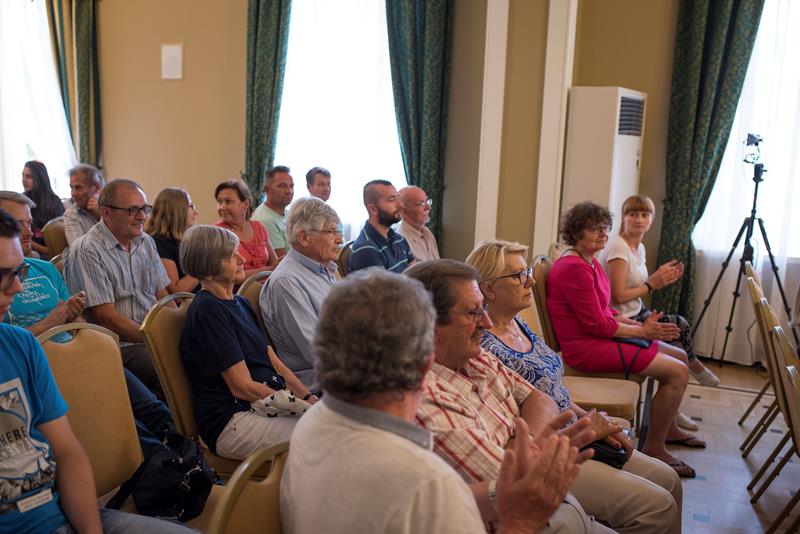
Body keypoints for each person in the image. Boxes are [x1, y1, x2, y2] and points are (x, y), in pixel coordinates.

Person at [282, 268, 585, 534]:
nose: (486, 322)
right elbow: (427, 496)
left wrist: (509, 488)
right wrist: (521, 523)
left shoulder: (312, 422)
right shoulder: (425, 480)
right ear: (427, 361)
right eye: (474, 312)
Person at [0, 209, 195, 534]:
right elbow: (103, 316)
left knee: (147, 409)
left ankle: (179, 466)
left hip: (61, 514)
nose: (18, 287)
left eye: (19, 271)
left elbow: (68, 452)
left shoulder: (20, 344)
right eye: (4, 275)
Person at [467, 239, 682, 532]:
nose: (530, 280)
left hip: (576, 430)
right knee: (659, 506)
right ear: (488, 289)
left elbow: (558, 394)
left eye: (527, 271)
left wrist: (594, 418)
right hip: (549, 451)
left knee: (670, 479)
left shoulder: (518, 324)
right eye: (519, 275)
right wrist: (584, 429)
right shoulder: (485, 348)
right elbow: (511, 431)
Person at [406, 259, 613, 533]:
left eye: (483, 309)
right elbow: (512, 482)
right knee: (656, 506)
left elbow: (541, 399)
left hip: (551, 489)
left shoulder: (475, 356)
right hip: (525, 518)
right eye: (473, 312)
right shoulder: (426, 397)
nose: (487, 322)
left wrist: (523, 444)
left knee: (657, 492)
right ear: (432, 326)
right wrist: (542, 443)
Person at [546, 201, 702, 477]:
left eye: (605, 228)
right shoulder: (573, 267)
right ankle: (655, 447)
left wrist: (634, 324)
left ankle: (668, 428)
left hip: (597, 338)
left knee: (679, 356)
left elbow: (605, 311)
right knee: (678, 371)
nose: (603, 234)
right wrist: (642, 331)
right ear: (576, 232)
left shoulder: (589, 262)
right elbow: (597, 324)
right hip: (585, 349)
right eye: (594, 229)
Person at [179, 225, 312, 460]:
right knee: (323, 434)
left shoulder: (241, 303)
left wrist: (309, 398)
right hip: (231, 420)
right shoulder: (207, 310)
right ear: (208, 268)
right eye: (231, 255)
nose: (241, 259)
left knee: (334, 424)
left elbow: (276, 364)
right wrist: (300, 407)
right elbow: (241, 387)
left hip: (263, 404)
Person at [599, 194, 720, 389]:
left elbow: (637, 283)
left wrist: (659, 277)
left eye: (644, 215)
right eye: (633, 214)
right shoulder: (618, 247)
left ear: (652, 219)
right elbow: (618, 296)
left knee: (678, 330)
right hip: (624, 317)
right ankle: (693, 369)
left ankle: (674, 386)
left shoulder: (639, 248)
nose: (639, 220)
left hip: (637, 310)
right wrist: (652, 284)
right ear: (623, 217)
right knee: (679, 326)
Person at [64, 179, 169, 399]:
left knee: (205, 351)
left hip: (151, 336)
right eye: (132, 210)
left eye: (144, 208)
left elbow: (163, 298)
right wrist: (157, 338)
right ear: (106, 212)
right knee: (170, 367)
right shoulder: (87, 250)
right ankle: (171, 420)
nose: (142, 216)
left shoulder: (145, 242)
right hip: (120, 344)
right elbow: (107, 319)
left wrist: (175, 330)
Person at [260, 197, 341, 388]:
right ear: (304, 237)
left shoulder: (325, 269)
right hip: (322, 383)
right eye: (331, 232)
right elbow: (319, 354)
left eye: (338, 231)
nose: (339, 239)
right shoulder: (287, 282)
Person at [214, 180, 278, 279]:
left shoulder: (258, 227)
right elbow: (230, 276)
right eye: (219, 202)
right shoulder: (217, 232)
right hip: (241, 288)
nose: (222, 207)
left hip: (268, 284)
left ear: (246, 204)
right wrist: (269, 270)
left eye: (228, 201)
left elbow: (275, 263)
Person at [348, 180, 414, 273]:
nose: (400, 205)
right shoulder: (367, 249)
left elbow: (415, 274)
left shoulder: (399, 239)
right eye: (392, 200)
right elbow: (382, 284)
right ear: (373, 209)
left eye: (398, 198)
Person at [145, 188, 200, 293]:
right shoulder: (159, 243)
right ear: (176, 211)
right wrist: (205, 266)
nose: (196, 212)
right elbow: (176, 292)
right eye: (191, 206)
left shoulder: (184, 240)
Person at [22, 161, 65, 258]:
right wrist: (48, 251)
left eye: (28, 177)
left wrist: (54, 252)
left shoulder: (55, 201)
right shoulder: (22, 202)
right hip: (32, 251)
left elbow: (60, 230)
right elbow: (22, 236)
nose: (24, 180)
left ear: (39, 178)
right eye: (23, 176)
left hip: (56, 251)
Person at [252, 165, 294, 259]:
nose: (289, 191)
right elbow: (282, 261)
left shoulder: (288, 213)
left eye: (291, 186)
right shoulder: (265, 220)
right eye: (282, 186)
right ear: (267, 190)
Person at [397, 186, 440, 262]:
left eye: (427, 201)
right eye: (421, 204)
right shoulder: (400, 240)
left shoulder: (427, 232)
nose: (428, 207)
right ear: (404, 212)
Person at [63, 164, 104, 245]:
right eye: (71, 187)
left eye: (78, 188)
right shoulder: (71, 214)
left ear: (96, 188)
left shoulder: (113, 207)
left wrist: (101, 215)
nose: (73, 193)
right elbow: (78, 250)